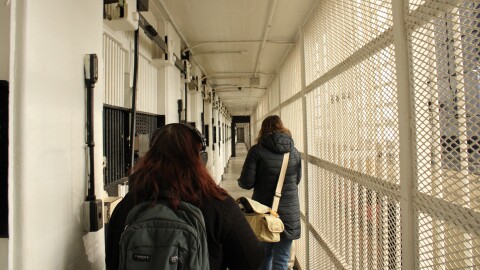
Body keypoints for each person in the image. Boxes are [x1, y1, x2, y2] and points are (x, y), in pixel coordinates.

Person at [106, 123, 265, 270]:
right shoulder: (218, 204)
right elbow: (252, 260)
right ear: (200, 159)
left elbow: (114, 261)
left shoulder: (128, 204)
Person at [237, 115, 302, 270]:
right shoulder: (294, 152)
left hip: (263, 212)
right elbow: (297, 180)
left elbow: (246, 183)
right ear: (282, 127)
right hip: (288, 214)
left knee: (263, 256)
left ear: (263, 129)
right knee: (282, 259)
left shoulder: (257, 151)